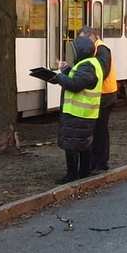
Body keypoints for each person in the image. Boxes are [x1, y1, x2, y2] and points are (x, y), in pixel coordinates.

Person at [48, 36, 103, 183]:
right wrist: (66, 70)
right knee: (83, 145)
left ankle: (73, 175)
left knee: (72, 146)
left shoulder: (87, 65)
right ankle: (83, 174)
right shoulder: (88, 63)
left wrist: (58, 77)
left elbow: (75, 84)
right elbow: (77, 78)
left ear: (80, 51)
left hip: (78, 113)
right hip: (83, 113)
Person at [80, 27, 118, 174]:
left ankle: (100, 162)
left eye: (84, 39)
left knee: (100, 130)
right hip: (101, 94)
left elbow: (103, 70)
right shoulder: (96, 49)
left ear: (93, 37)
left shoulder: (102, 49)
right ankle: (95, 161)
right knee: (97, 129)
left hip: (105, 95)